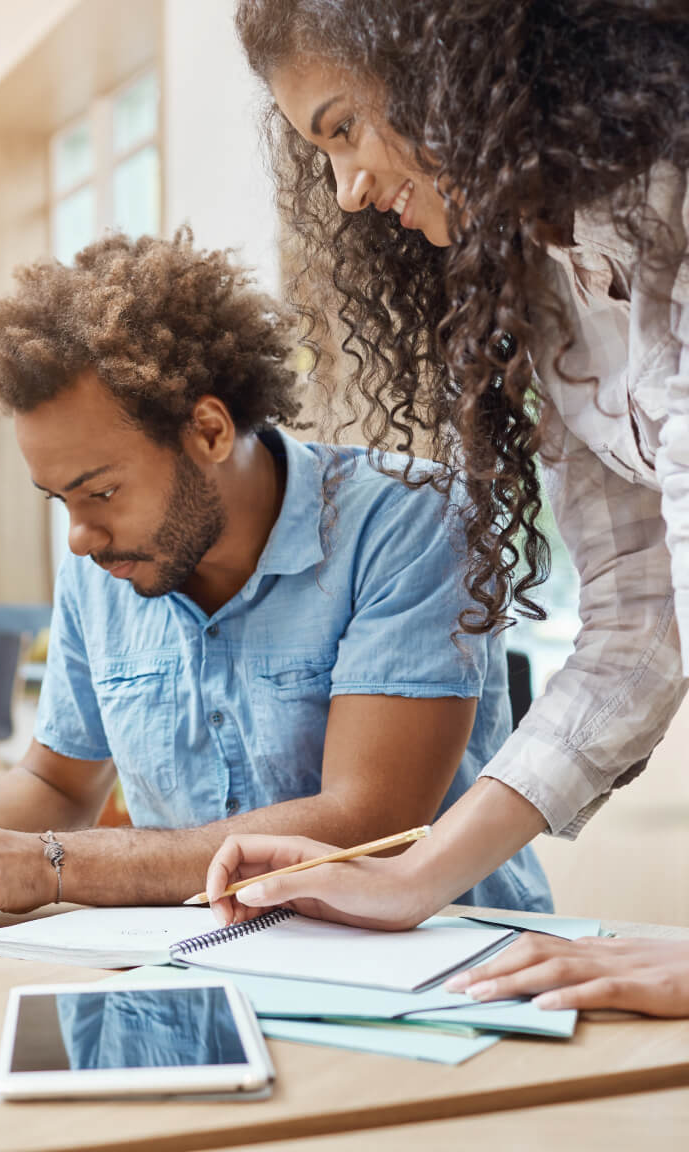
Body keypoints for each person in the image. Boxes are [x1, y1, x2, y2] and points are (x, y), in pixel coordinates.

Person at [0, 230, 551, 930]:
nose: (80, 537)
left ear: (210, 430)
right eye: (60, 500)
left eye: (102, 491)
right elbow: (58, 785)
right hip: (207, 958)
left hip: (440, 963)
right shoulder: (102, 568)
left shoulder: (408, 521)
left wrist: (55, 866)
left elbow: (369, 826)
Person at [210, 0, 689, 1014]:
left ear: (447, 67)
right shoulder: (552, 289)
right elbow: (637, 624)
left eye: (344, 128)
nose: (345, 190)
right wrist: (416, 874)